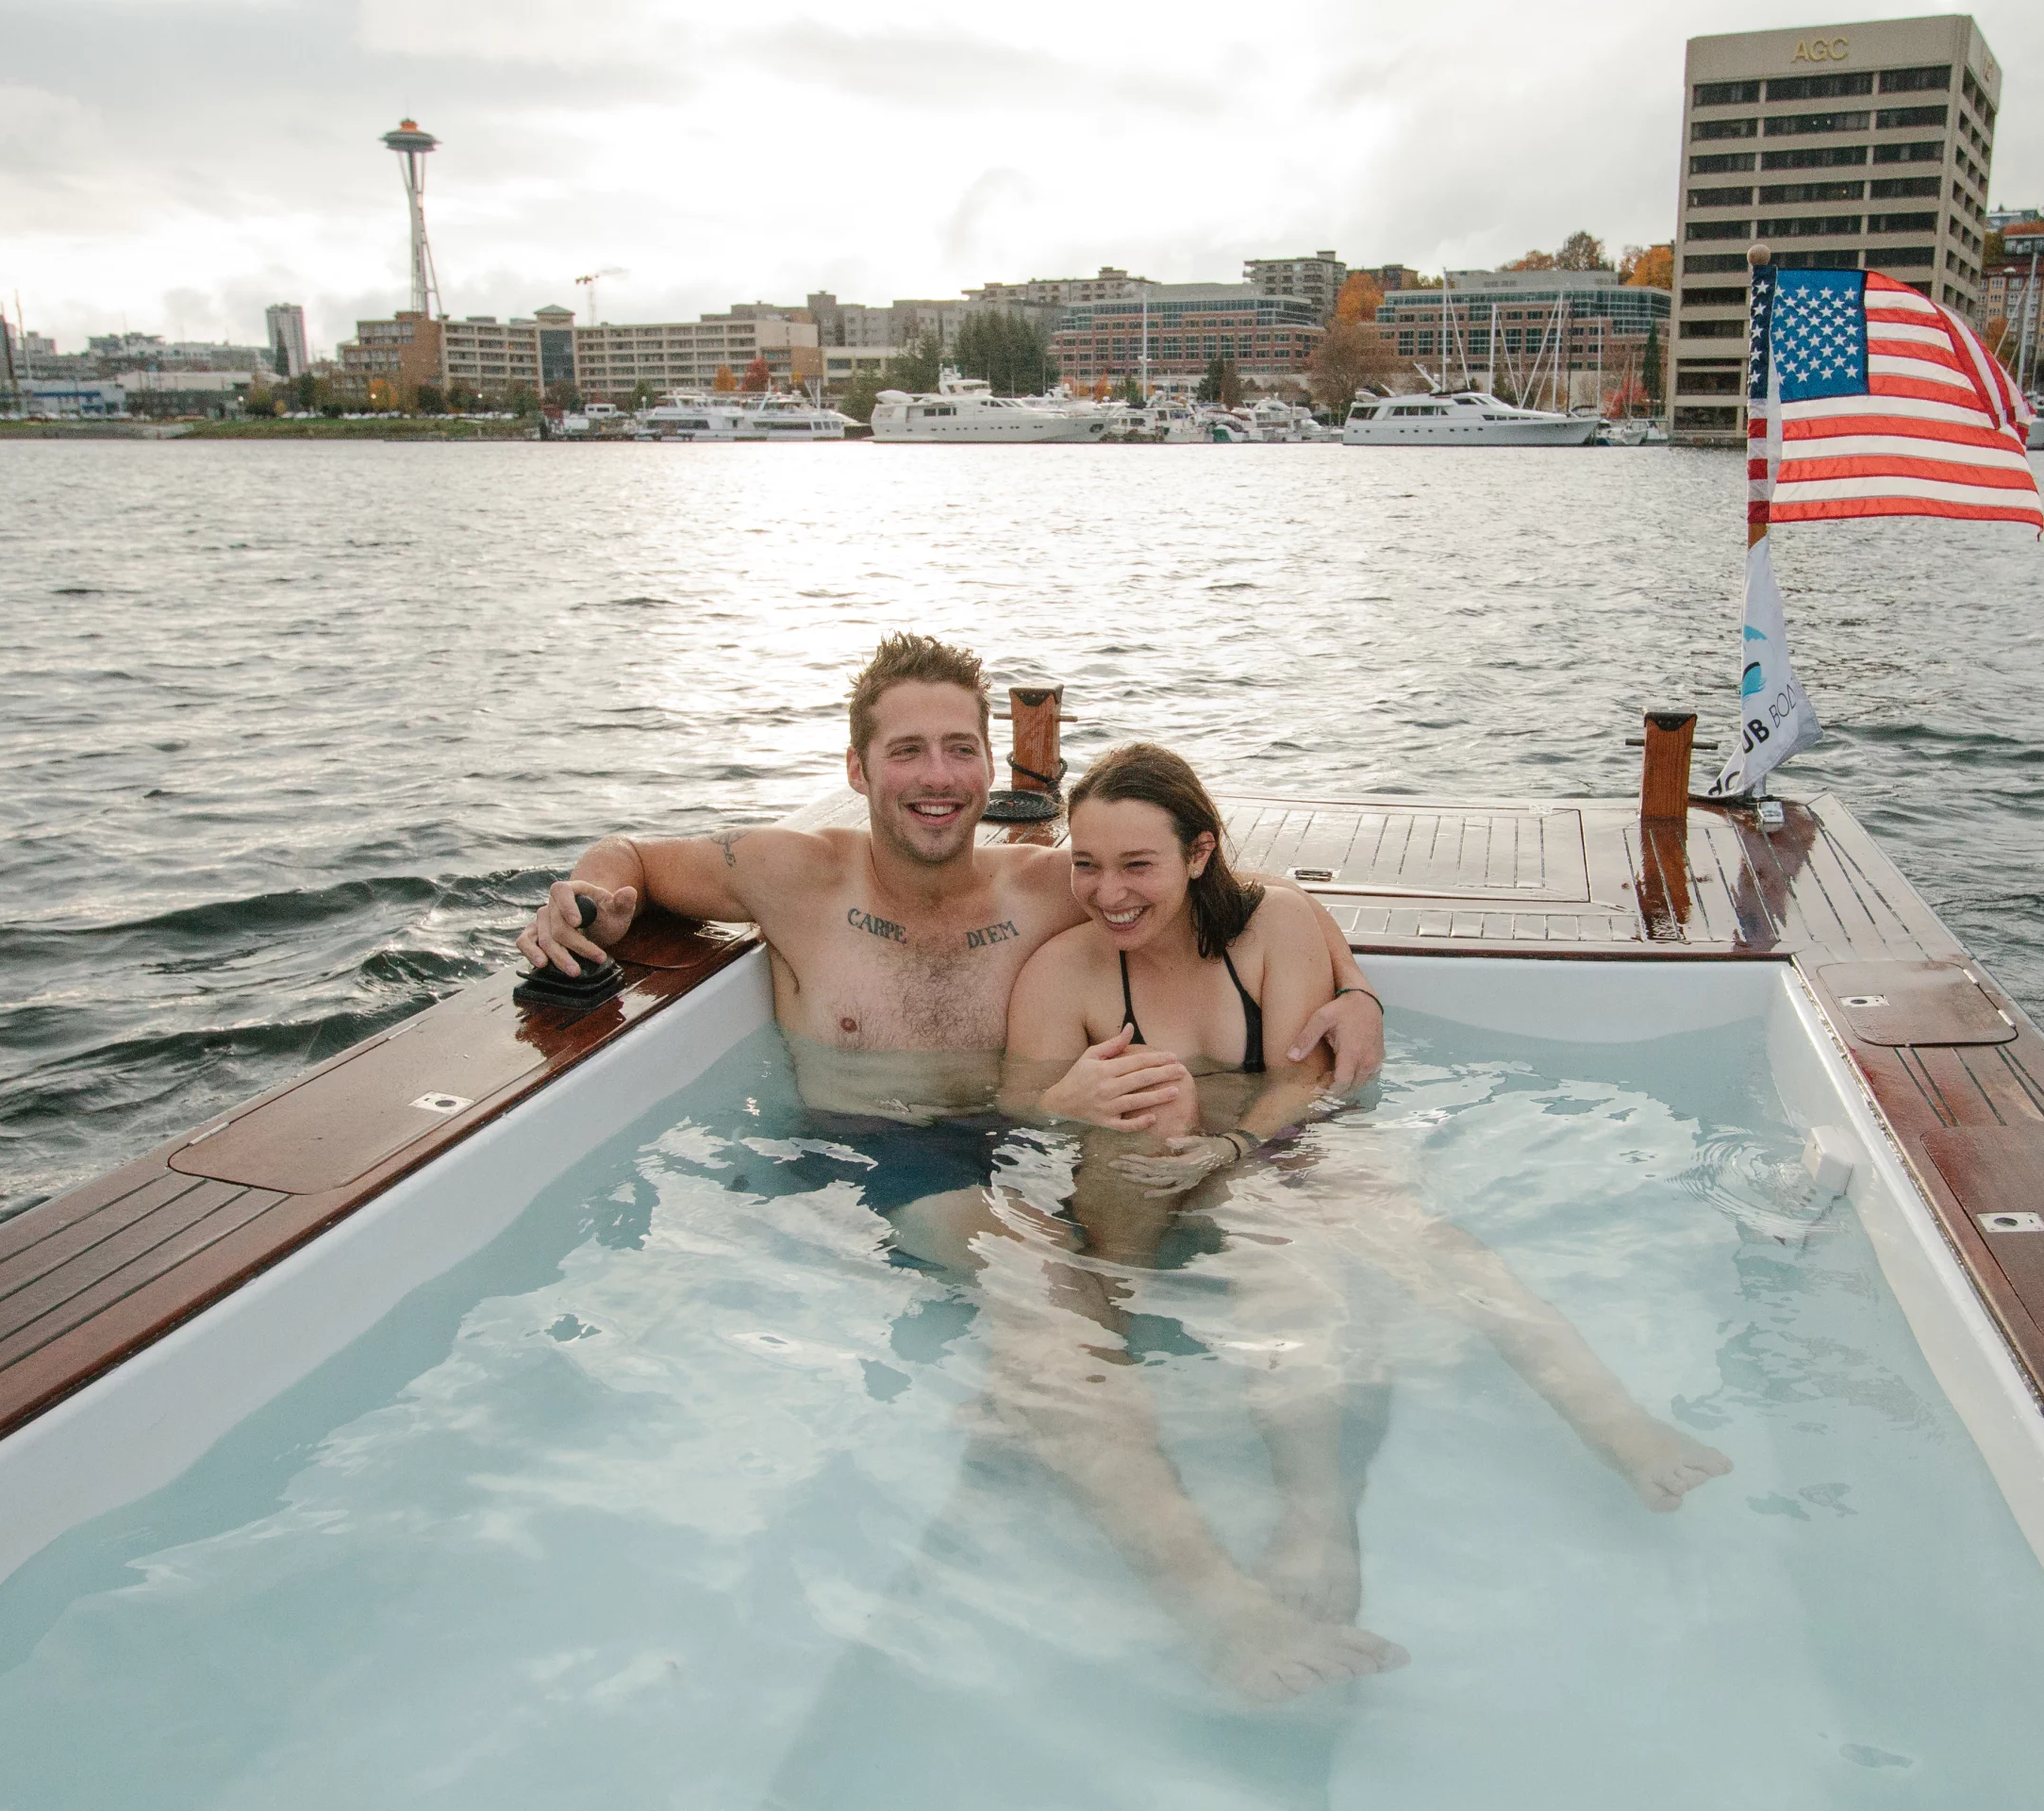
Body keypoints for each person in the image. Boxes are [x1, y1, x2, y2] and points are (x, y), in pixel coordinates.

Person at [515, 635, 1400, 1702]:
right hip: (873, 1154)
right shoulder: (789, 873)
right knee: (1052, 1300)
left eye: (958, 750)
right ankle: (1217, 1609)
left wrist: (1355, 988)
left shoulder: (1048, 886)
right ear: (858, 770)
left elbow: (1233, 900)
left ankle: (1201, 1482)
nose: (936, 777)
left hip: (1026, 1140)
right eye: (907, 752)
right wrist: (590, 895)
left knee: (1259, 1244)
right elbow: (634, 856)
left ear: (991, 767)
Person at [1004, 744, 1733, 1648]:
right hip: (1138, 1169)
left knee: (1391, 1257)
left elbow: (1303, 1085)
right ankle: (1095, 1432)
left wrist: (1228, 1151)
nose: (1108, 891)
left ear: (1198, 855)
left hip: (1278, 1150)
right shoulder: (1064, 972)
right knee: (1091, 1290)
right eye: (1087, 862)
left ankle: (1614, 1430)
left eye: (1136, 865)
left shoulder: (1278, 926)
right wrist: (1066, 1104)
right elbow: (1019, 1112)